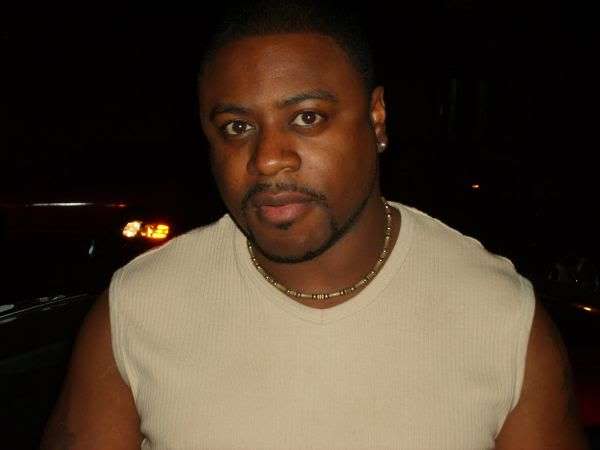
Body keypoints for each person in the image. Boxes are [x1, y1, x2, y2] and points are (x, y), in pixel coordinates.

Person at [42, 2, 589, 448]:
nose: (267, 158)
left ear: (376, 119)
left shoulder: (500, 318)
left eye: (307, 118)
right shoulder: (139, 308)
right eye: (236, 127)